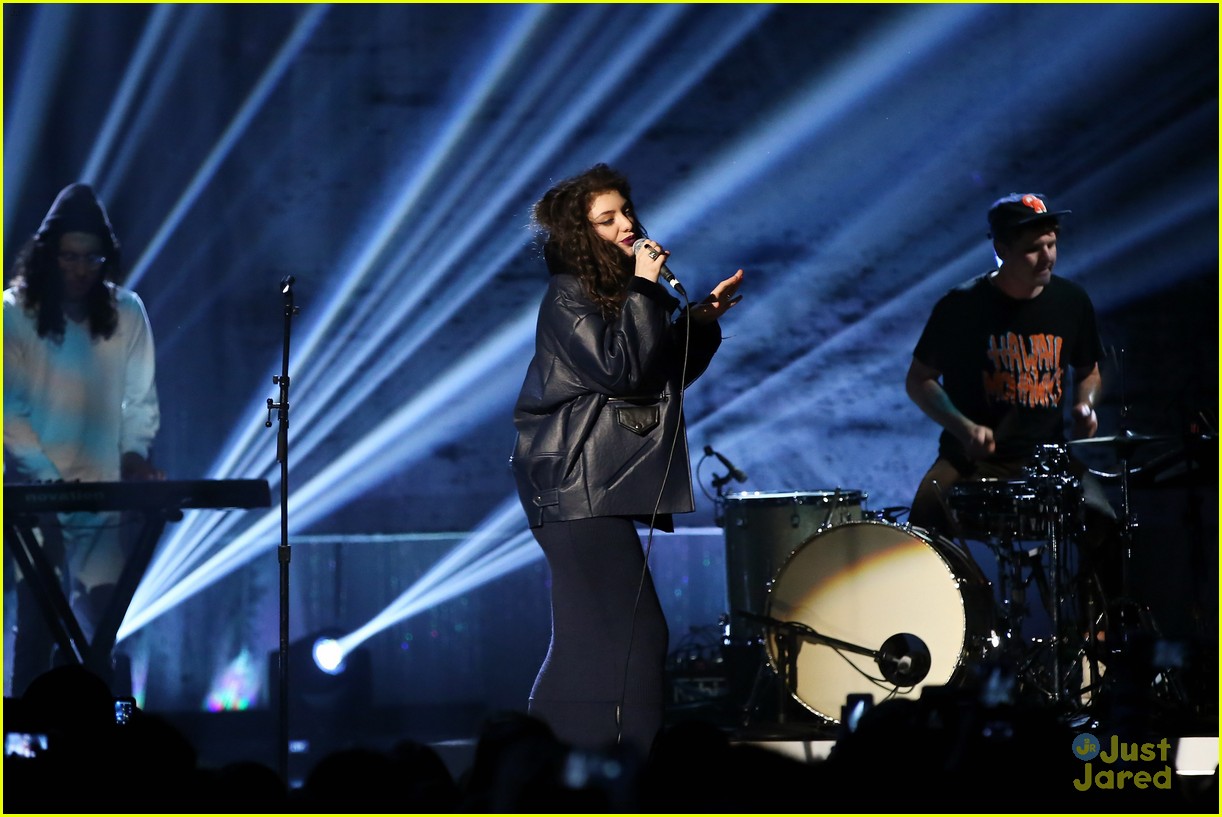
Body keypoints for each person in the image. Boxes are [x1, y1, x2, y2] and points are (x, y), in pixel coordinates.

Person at [510, 163, 743, 758]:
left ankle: (541, 765)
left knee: (584, 642)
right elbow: (622, 372)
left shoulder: (615, 295)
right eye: (606, 219)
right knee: (639, 637)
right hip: (574, 485)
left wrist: (698, 324)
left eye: (626, 212)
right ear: (579, 234)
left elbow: (655, 381)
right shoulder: (569, 295)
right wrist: (645, 289)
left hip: (592, 486)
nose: (626, 226)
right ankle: (633, 768)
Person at [3, 182, 163, 696]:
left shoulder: (127, 312)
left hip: (99, 494)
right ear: (48, 256)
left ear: (105, 259)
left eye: (90, 259)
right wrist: (46, 483)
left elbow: (140, 399)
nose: (79, 270)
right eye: (69, 257)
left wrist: (134, 456)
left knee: (104, 628)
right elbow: (8, 411)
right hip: (34, 492)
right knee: (37, 624)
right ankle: (25, 735)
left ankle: (116, 728)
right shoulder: (12, 313)